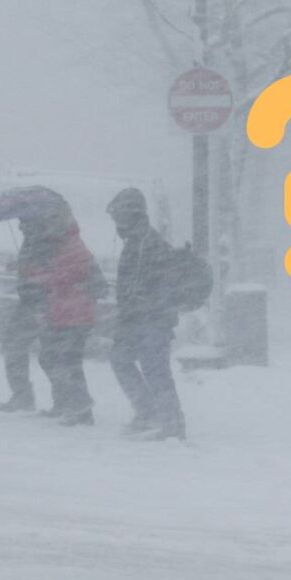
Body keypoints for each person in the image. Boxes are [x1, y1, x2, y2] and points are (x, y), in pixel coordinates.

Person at [107, 187, 185, 441]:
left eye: (119, 216)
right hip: (141, 318)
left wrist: (134, 312)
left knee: (156, 370)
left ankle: (172, 425)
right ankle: (149, 412)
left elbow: (144, 286)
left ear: (131, 215)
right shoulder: (138, 240)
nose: (116, 222)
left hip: (150, 320)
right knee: (122, 360)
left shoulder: (145, 243)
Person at [17, 203, 99, 426]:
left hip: (75, 314)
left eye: (53, 224)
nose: (49, 228)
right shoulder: (63, 245)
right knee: (53, 358)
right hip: (64, 312)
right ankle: (68, 403)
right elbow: (55, 274)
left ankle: (81, 408)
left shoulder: (73, 247)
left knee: (67, 361)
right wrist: (30, 271)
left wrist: (36, 278)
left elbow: (62, 277)